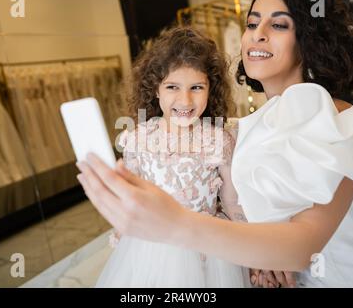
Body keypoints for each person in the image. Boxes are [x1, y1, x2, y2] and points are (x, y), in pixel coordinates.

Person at [77, 0, 353, 287]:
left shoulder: (339, 121)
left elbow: (303, 247)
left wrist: (175, 223)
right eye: (252, 23)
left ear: (309, 40)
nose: (258, 33)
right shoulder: (238, 131)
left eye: (279, 25)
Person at [90, 26, 255, 287]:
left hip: (209, 250)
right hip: (152, 247)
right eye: (172, 87)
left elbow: (233, 204)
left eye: (197, 87)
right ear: (156, 89)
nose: (185, 99)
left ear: (210, 89)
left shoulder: (218, 141)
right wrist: (123, 235)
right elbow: (131, 196)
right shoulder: (138, 139)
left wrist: (253, 254)